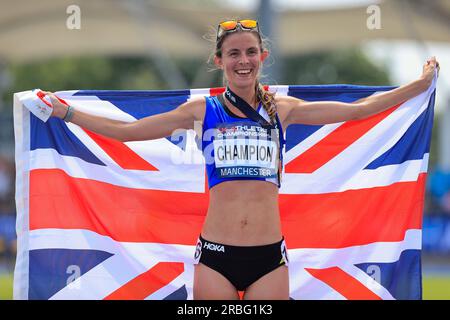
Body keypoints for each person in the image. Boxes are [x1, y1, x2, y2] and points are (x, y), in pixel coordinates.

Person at [43, 19, 439, 300]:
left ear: (262, 56)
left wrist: (417, 86)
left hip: (270, 258)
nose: (243, 60)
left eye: (250, 52)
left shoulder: (282, 109)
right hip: (215, 256)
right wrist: (68, 114)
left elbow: (357, 112)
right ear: (220, 61)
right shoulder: (202, 111)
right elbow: (130, 132)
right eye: (233, 53)